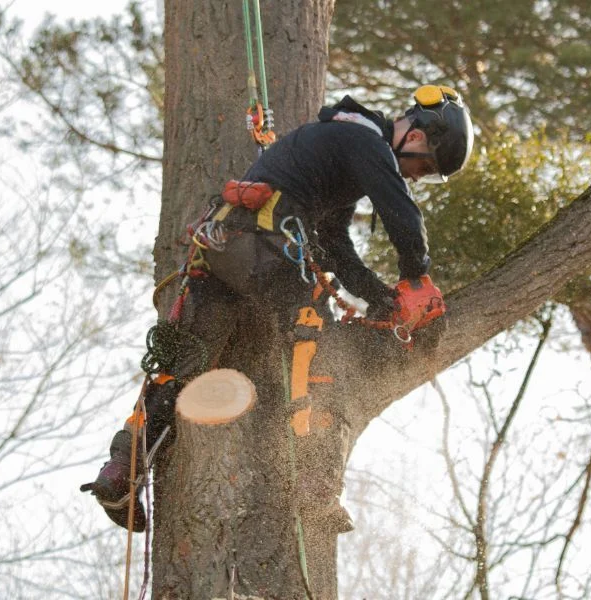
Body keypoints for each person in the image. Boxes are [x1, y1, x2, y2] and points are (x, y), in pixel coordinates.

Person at [80, 84, 475, 532]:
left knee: (184, 363)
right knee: (320, 356)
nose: (417, 177)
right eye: (423, 168)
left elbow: (336, 245)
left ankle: (120, 470)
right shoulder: (365, 140)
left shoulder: (335, 145)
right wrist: (416, 279)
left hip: (224, 249)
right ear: (419, 137)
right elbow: (401, 212)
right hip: (271, 250)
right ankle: (315, 485)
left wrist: (382, 296)